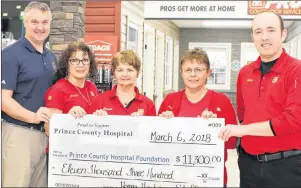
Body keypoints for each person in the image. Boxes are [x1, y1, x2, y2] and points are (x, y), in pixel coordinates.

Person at [218, 12, 301, 187]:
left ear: (283, 34)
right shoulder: (244, 73)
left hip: (286, 167)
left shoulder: (296, 70)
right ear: (253, 37)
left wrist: (243, 130)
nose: (264, 37)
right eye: (258, 32)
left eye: (271, 30)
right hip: (249, 165)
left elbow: (293, 121)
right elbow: (243, 114)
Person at [158, 48, 237, 187]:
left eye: (198, 69)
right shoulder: (170, 101)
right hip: (175, 177)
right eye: (188, 70)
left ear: (208, 73)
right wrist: (164, 125)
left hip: (211, 178)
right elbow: (156, 142)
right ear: (181, 73)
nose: (193, 74)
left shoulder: (222, 101)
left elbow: (232, 143)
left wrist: (215, 128)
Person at [1, 1, 55, 187]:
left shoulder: (51, 57)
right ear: (25, 22)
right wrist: (33, 117)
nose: (40, 27)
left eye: (45, 22)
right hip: (19, 135)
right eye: (34, 22)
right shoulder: (10, 55)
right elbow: (4, 100)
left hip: (45, 136)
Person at [44, 41, 99, 141]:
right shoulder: (58, 89)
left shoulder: (92, 87)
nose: (80, 65)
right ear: (66, 64)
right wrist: (68, 117)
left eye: (85, 60)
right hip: (66, 150)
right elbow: (48, 130)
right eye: (74, 60)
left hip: (89, 148)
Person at [88, 50, 156, 116]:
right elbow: (89, 125)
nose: (125, 74)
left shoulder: (148, 104)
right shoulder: (100, 100)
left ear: (137, 73)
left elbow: (153, 127)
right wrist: (97, 119)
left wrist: (142, 122)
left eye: (130, 70)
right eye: (120, 70)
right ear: (114, 73)